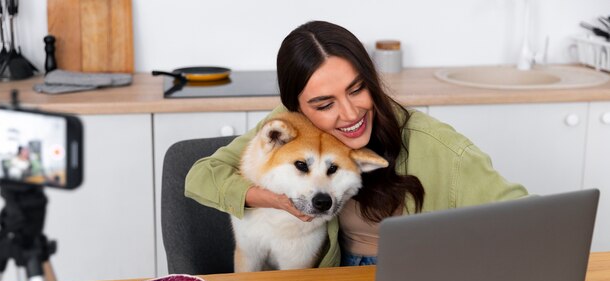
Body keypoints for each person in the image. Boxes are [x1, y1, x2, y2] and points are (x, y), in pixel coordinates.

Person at [185, 21, 528, 268]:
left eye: (356, 89)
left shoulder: (437, 146)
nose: (350, 114)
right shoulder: (289, 125)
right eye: (324, 104)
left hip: (418, 279)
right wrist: (272, 199)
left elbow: (528, 220)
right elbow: (201, 175)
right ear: (297, 109)